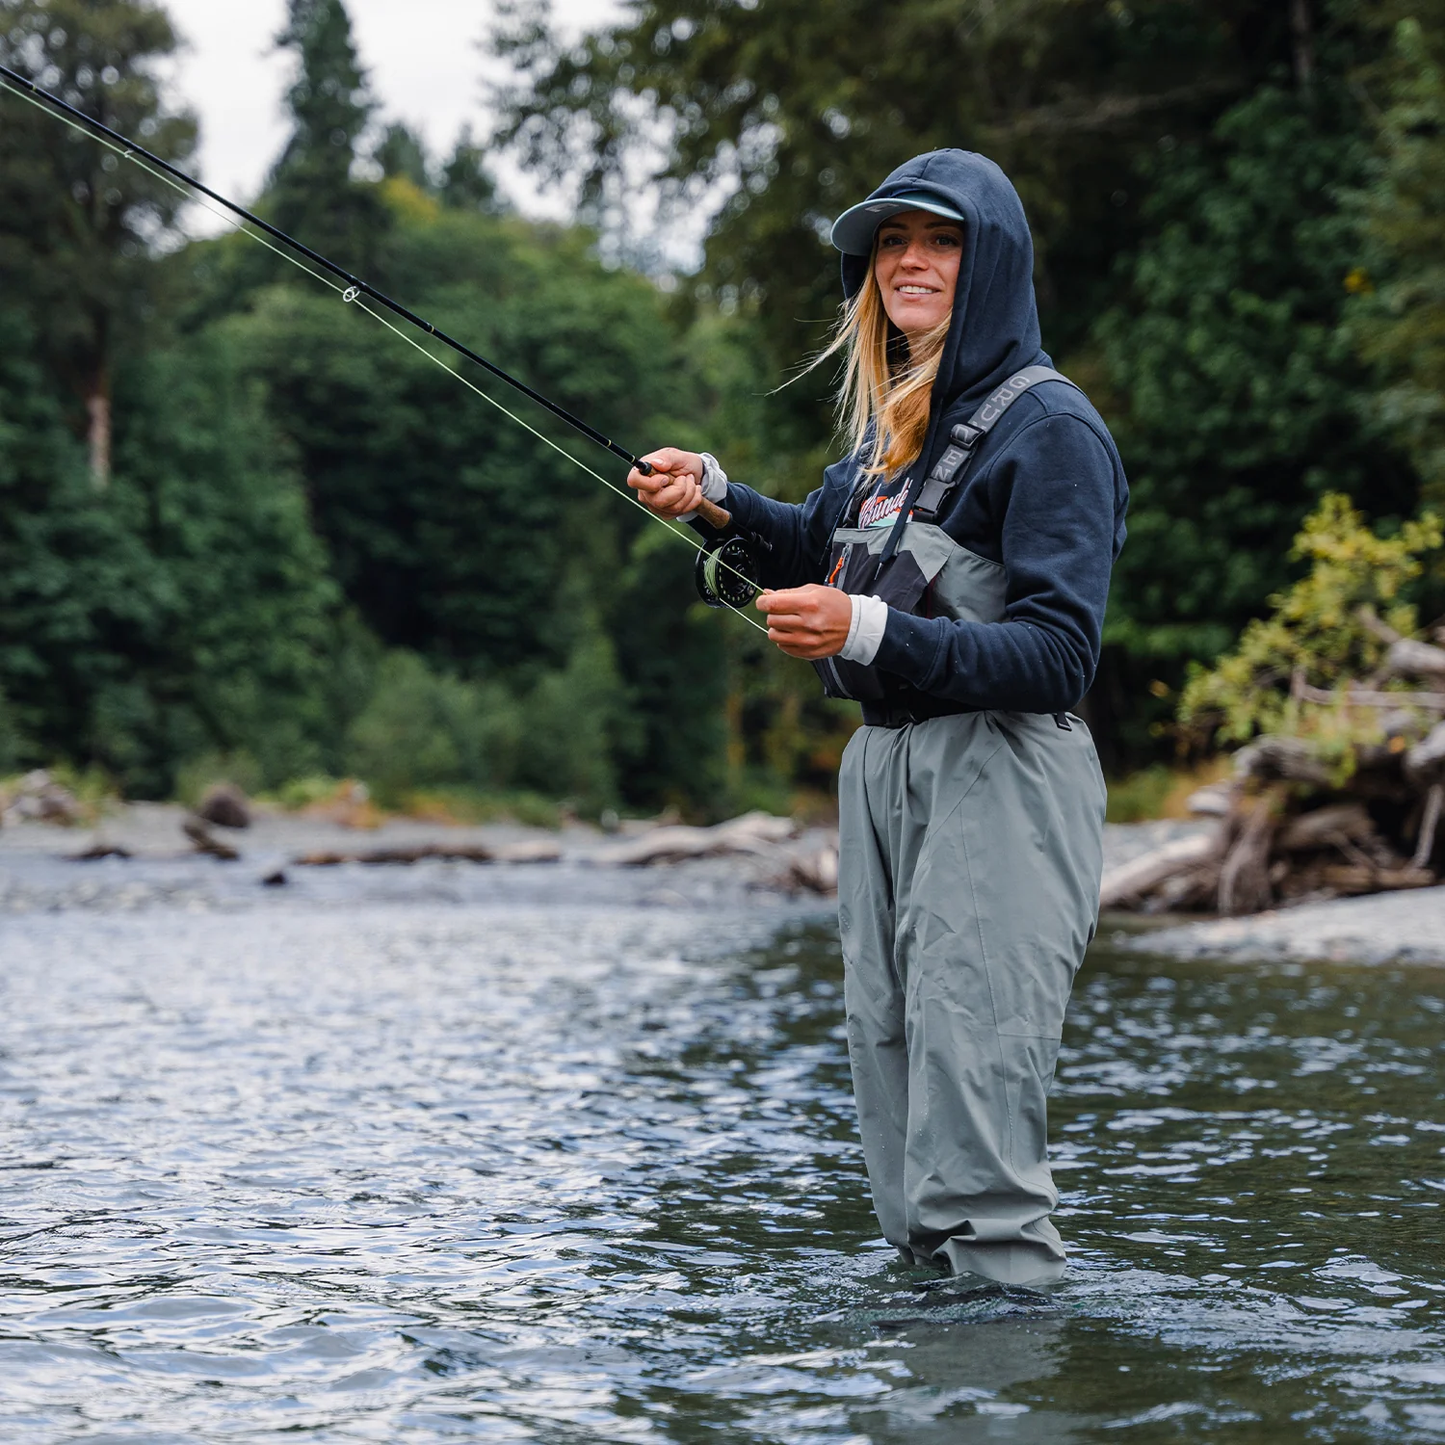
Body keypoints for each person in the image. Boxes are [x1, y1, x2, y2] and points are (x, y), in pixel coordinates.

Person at [627, 149, 1127, 1287]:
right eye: (890, 242)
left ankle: (1001, 1367)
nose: (908, 259)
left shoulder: (1050, 430)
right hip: (885, 770)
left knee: (971, 1083)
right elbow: (818, 544)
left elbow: (1058, 655)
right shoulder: (881, 436)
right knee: (893, 1085)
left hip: (1002, 771)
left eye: (938, 239)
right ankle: (929, 1359)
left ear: (988, 261)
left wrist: (865, 631)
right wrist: (712, 498)